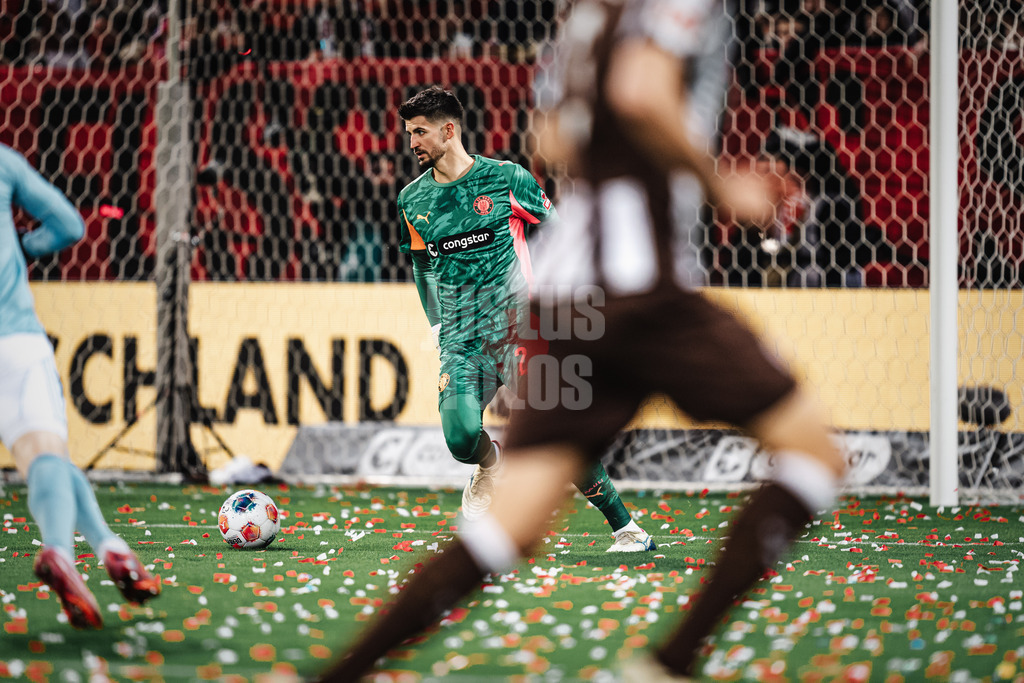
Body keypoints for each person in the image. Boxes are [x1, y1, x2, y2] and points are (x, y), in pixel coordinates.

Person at [317, 1, 845, 680]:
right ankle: (671, 661)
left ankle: (332, 676)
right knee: (815, 455)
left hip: (565, 301)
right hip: (639, 287)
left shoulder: (587, 19)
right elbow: (642, 92)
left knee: (505, 530)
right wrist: (722, 185)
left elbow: (555, 137)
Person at [394, 85, 652, 552]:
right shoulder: (413, 200)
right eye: (409, 133)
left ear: (449, 130)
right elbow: (421, 263)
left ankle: (626, 529)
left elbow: (557, 234)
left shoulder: (506, 179)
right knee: (461, 436)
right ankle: (490, 467)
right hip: (460, 339)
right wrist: (435, 322)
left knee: (559, 430)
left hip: (520, 331)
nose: (411, 142)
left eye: (419, 132)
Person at [0, 143, 160, 629]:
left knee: (47, 458)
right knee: (44, 453)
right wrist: (24, 246)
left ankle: (112, 547)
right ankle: (60, 552)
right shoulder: (4, 162)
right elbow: (70, 225)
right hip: (12, 336)